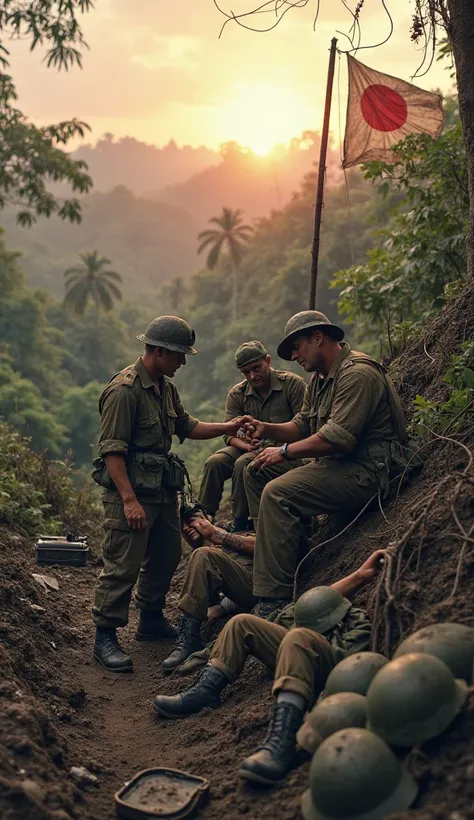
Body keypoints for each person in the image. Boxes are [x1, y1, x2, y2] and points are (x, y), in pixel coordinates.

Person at [91, 316, 253, 673]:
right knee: (122, 564)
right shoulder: (124, 390)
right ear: (158, 351)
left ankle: (150, 618)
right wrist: (129, 500)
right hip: (130, 492)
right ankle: (105, 636)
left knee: (165, 556)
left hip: (163, 491)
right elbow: (112, 452)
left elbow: (186, 426)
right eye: (179, 355)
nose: (183, 362)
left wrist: (228, 426)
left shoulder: (165, 388)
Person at [153, 550, 385, 785]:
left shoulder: (355, 623)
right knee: (241, 622)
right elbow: (324, 599)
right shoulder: (309, 615)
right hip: (294, 650)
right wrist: (360, 575)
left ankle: (281, 741)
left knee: (297, 637)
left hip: (319, 665)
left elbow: (348, 669)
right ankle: (206, 690)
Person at [242, 310, 408, 617]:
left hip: (370, 471)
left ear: (318, 338)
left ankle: (272, 599)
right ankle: (290, 551)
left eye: (297, 347)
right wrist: (268, 428)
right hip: (342, 466)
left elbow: (338, 438)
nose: (293, 356)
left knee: (277, 493)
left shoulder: (356, 373)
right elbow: (304, 423)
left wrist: (284, 451)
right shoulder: (320, 378)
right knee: (255, 470)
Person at [198, 341, 305, 531]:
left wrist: (266, 439)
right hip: (249, 448)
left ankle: (240, 522)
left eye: (256, 368)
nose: (253, 376)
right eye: (246, 372)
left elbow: (304, 427)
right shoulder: (237, 394)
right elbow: (229, 434)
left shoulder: (292, 385)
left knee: (243, 464)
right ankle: (204, 517)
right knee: (215, 462)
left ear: (268, 361)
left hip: (284, 451)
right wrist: (247, 445)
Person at [162, 508, 257, 673]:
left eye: (192, 519)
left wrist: (217, 535)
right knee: (201, 555)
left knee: (203, 554)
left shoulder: (233, 534)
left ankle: (189, 641)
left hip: (259, 588)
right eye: (181, 525)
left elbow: (264, 546)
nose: (186, 527)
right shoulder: (198, 564)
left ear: (208, 518)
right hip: (240, 595)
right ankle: (188, 636)